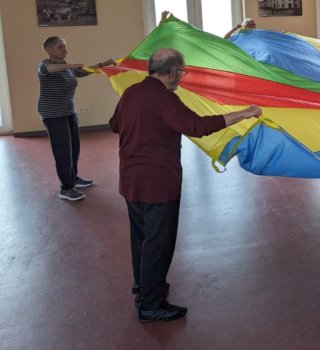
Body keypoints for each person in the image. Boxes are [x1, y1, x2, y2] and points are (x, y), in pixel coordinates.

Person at [109, 48, 261, 322]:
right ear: (171, 73)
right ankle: (151, 305)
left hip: (131, 180)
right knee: (159, 243)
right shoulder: (164, 98)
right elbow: (197, 126)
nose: (182, 77)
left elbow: (114, 125)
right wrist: (245, 113)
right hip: (159, 183)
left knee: (142, 237)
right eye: (182, 72)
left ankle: (144, 286)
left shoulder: (131, 92)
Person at [37, 36, 115, 201]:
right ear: (48, 50)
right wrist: (71, 65)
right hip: (53, 114)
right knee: (62, 150)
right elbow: (48, 70)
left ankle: (73, 177)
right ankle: (66, 188)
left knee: (74, 147)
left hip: (68, 111)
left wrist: (103, 65)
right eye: (60, 47)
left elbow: (83, 71)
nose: (64, 49)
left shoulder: (66, 66)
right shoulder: (44, 65)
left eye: (65, 46)